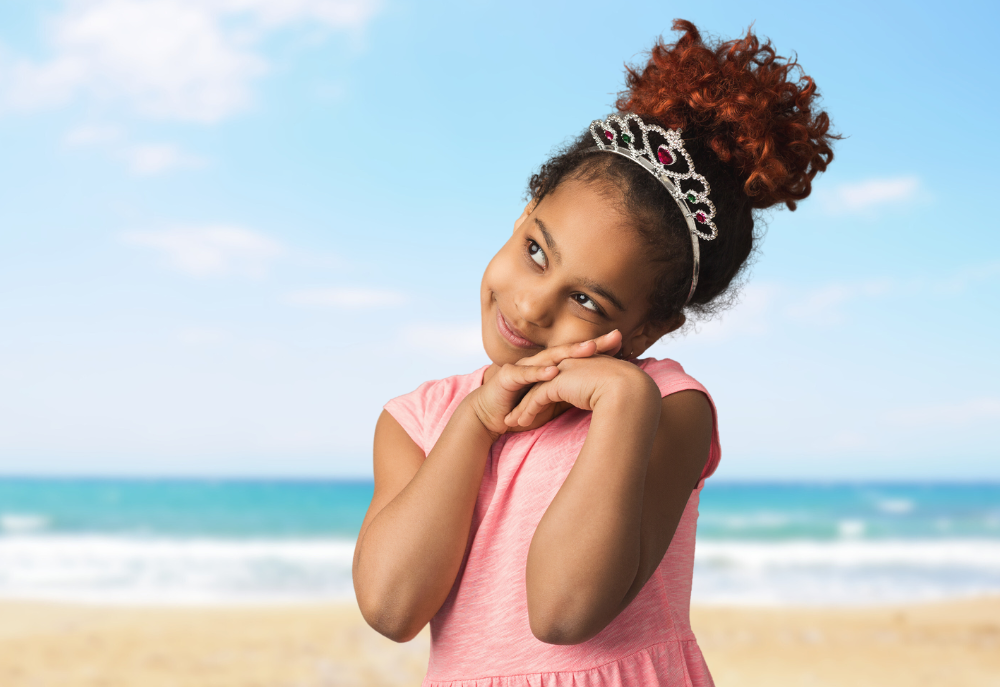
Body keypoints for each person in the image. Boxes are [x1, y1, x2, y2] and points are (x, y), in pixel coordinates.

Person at [352, 19, 835, 686]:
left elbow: (562, 610)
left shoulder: (668, 407)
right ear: (523, 216)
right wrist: (474, 422)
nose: (530, 306)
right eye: (535, 252)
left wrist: (624, 400)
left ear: (649, 330)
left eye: (588, 301)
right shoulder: (418, 420)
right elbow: (390, 604)